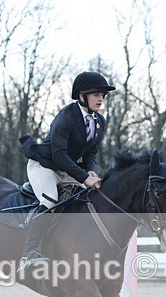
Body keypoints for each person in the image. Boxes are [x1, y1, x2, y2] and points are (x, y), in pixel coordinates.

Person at [18, 71, 116, 271]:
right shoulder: (66, 118)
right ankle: (30, 252)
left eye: (103, 95)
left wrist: (89, 173)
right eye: (96, 94)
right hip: (43, 164)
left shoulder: (99, 121)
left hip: (66, 167)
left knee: (86, 196)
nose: (101, 98)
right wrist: (82, 177)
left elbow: (91, 153)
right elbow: (59, 155)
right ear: (82, 96)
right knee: (51, 200)